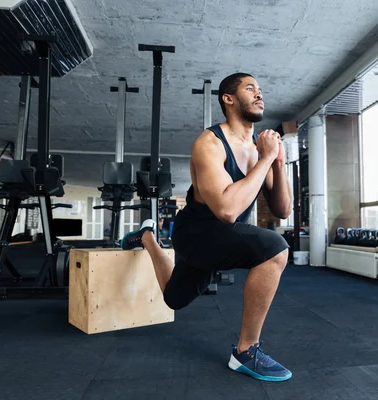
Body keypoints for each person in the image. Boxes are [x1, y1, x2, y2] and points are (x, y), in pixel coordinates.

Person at [121, 73, 294, 382]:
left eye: (261, 90)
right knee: (275, 248)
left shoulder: (258, 152)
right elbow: (227, 210)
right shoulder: (210, 143)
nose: (259, 94)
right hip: (196, 234)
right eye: (250, 88)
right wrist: (266, 158)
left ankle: (147, 237)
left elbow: (282, 210)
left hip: (222, 238)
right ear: (228, 99)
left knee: (174, 299)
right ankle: (245, 352)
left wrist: (277, 164)